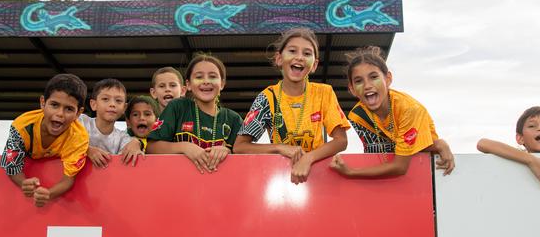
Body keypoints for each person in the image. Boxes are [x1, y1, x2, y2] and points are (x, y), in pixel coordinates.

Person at [234, 27, 350, 184]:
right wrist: (279, 148)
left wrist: (308, 158)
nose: (299, 57)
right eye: (293, 51)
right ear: (279, 58)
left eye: (307, 53)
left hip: (319, 176)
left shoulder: (324, 92)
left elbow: (341, 140)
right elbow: (240, 146)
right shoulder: (267, 97)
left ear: (314, 65)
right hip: (279, 178)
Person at [329, 46, 455, 178]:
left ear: (388, 79)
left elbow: (400, 166)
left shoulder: (409, 109)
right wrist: (437, 145)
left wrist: (351, 172)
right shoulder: (358, 115)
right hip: (386, 180)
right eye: (359, 81)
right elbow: (376, 155)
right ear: (352, 89)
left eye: (373, 77)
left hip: (426, 175)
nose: (367, 85)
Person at [0, 73, 89, 207]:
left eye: (69, 109)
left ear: (78, 113)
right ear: (42, 103)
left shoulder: (79, 138)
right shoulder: (21, 126)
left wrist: (49, 193)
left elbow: (68, 180)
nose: (60, 113)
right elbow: (12, 167)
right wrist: (24, 183)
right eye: (54, 105)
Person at [146, 54, 243, 173]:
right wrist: (184, 147)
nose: (206, 81)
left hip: (219, 186)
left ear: (222, 83)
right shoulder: (177, 107)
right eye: (199, 77)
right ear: (189, 85)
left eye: (212, 76)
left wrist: (227, 151)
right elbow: (151, 147)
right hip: (179, 183)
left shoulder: (233, 119)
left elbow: (243, 155)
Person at [79, 78, 144, 168]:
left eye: (118, 101)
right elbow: (63, 142)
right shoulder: (81, 122)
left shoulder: (122, 138)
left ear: (124, 108)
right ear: (94, 104)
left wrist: (136, 143)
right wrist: (86, 150)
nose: (112, 104)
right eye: (105, 99)